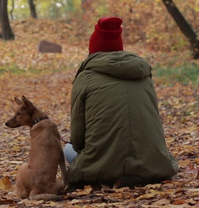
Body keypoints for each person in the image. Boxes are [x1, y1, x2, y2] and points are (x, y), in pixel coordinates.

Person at [64, 17, 178, 189]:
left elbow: (78, 139)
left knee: (67, 149)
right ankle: (136, 175)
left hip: (101, 167)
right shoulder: (144, 75)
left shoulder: (85, 78)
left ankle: (111, 176)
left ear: (93, 50)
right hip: (153, 165)